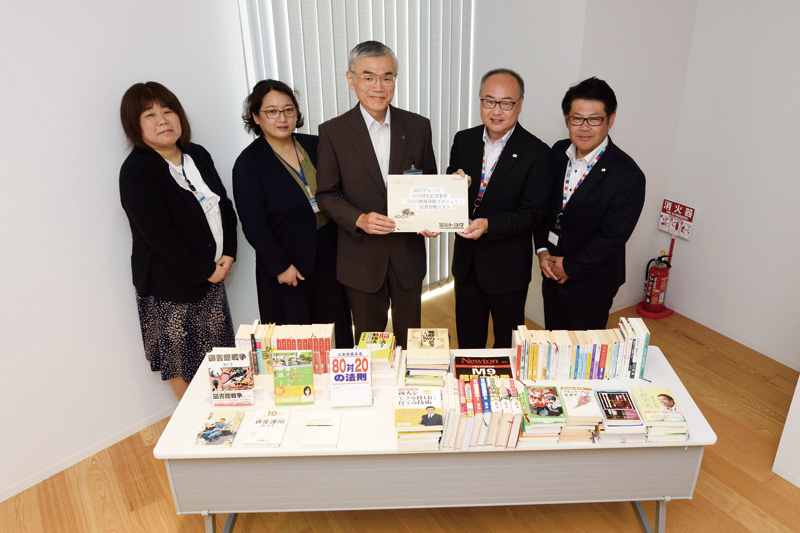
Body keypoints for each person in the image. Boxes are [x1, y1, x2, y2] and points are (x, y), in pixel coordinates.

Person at [119, 82, 237, 400]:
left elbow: (223, 204)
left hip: (213, 274)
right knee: (183, 363)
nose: (162, 119)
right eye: (150, 114)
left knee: (220, 356)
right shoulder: (136, 171)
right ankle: (199, 434)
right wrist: (205, 270)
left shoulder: (196, 154)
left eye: (168, 110)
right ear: (134, 124)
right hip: (169, 285)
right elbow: (159, 236)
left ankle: (229, 420)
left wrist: (229, 254)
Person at [316, 40, 438, 349]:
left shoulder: (418, 126)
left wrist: (433, 215)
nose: (378, 86)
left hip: (407, 255)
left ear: (395, 79)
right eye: (368, 77)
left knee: (412, 341)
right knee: (370, 344)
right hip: (361, 258)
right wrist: (359, 219)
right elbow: (327, 195)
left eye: (387, 77)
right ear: (351, 79)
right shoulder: (333, 132)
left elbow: (429, 185)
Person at [232, 80, 353, 348]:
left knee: (336, 333)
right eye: (272, 112)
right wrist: (280, 266)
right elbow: (253, 224)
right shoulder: (249, 163)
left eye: (288, 110)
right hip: (288, 265)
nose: (282, 118)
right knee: (298, 344)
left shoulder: (317, 145)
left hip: (330, 253)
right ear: (256, 117)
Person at [447, 69, 552, 349]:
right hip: (467, 262)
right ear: (480, 101)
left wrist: (489, 224)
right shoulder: (464, 139)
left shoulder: (538, 153)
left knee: (507, 342)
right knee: (468, 337)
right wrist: (454, 183)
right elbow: (449, 186)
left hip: (507, 268)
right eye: (489, 101)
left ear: (520, 104)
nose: (496, 110)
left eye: (506, 103)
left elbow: (533, 213)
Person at [534, 77, 646, 330]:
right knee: (553, 338)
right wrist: (542, 251)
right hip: (550, 268)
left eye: (594, 119)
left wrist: (569, 267)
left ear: (610, 119)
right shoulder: (558, 152)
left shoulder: (628, 176)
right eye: (577, 118)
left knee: (584, 352)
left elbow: (613, 237)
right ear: (566, 119)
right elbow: (544, 208)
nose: (584, 127)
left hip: (594, 280)